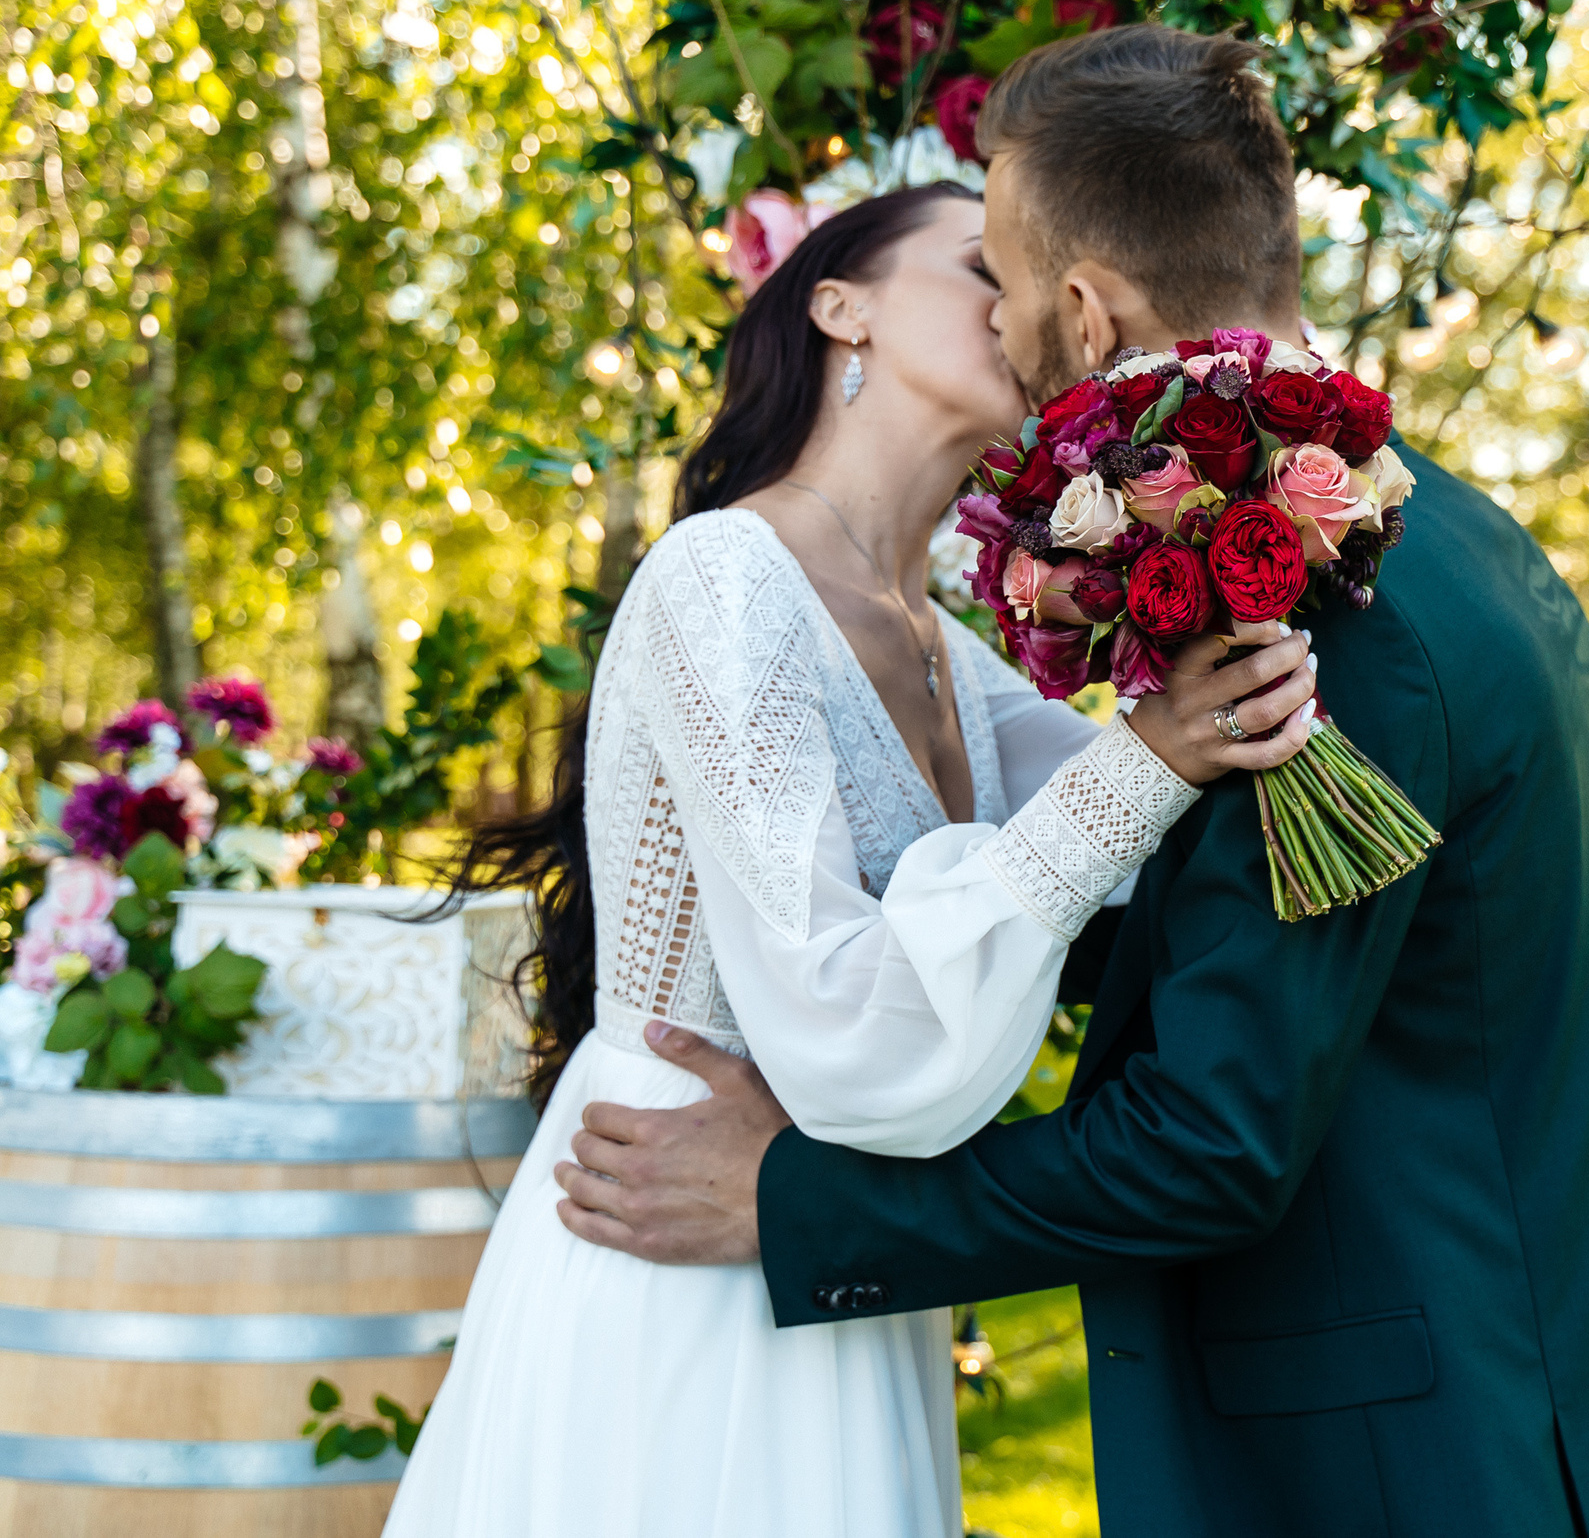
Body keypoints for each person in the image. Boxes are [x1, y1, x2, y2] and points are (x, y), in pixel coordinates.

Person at [561, 26, 1589, 1535]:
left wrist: (795, 1206)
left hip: (1429, 1463)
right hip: (1528, 1398)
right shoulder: (1461, 539)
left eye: (996, 273)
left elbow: (1212, 1141)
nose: (994, 317)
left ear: (1081, 303)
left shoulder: (1322, 618)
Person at [380, 182, 1319, 1538]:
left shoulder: (939, 637)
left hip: (814, 1229)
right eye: (978, 265)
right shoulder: (723, 578)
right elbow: (840, 1004)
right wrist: (1149, 759)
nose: (1021, 301)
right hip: (677, 1233)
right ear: (840, 307)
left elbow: (1128, 852)